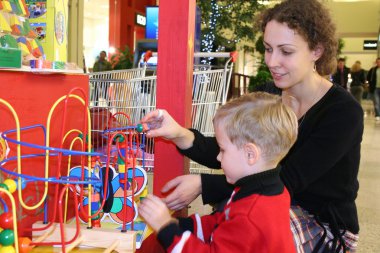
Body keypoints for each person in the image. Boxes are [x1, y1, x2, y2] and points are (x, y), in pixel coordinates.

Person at [141, 0, 363, 252]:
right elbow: (232, 147)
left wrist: (204, 184)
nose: (272, 61)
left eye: (286, 51)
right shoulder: (269, 95)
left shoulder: (342, 112)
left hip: (322, 223)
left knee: (243, 225)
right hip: (269, 204)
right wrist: (179, 134)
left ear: (317, 51)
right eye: (268, 49)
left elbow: (285, 180)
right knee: (226, 222)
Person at [139, 92, 298, 253]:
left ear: (250, 154)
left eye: (222, 149)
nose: (218, 156)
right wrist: (182, 225)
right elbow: (221, 223)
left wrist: (167, 229)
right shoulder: (268, 189)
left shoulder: (250, 215)